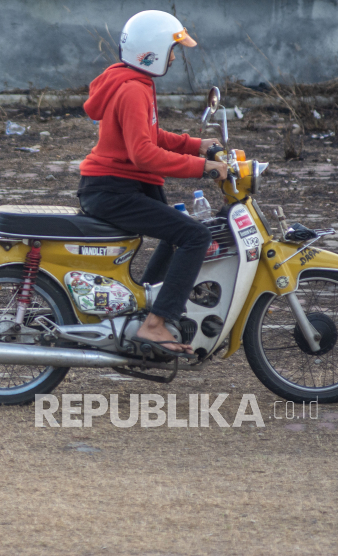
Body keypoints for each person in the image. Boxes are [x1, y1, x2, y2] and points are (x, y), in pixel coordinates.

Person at [78, 10, 228, 357]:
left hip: (117, 186)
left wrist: (195, 145)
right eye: (172, 50)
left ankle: (146, 309)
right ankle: (155, 324)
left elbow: (147, 134)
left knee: (179, 235)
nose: (174, 58)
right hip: (112, 190)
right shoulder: (132, 90)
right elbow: (144, 153)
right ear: (153, 51)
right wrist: (203, 167)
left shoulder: (131, 81)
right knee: (195, 236)